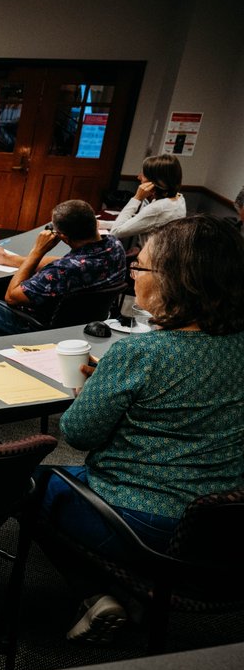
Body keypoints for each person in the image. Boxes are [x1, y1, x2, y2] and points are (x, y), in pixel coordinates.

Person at [36, 215, 244, 643]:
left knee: (36, 483)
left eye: (141, 267)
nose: (133, 274)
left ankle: (94, 596)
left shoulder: (140, 354)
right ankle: (134, 593)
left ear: (178, 280)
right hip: (225, 524)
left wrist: (91, 392)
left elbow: (79, 434)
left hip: (146, 522)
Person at [0, 200, 127, 337]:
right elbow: (64, 261)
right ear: (96, 223)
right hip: (82, 326)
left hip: (37, 327)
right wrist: (9, 259)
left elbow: (11, 297)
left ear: (63, 237)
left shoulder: (62, 271)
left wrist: (37, 251)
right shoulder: (114, 245)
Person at [107, 154, 185, 241]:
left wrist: (137, 198)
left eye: (143, 175)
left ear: (156, 181)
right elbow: (135, 223)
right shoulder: (178, 198)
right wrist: (100, 224)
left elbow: (116, 232)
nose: (139, 177)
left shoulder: (159, 207)